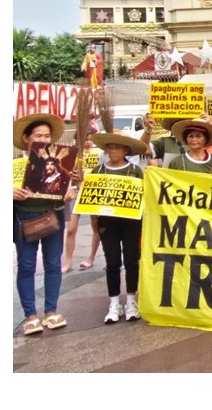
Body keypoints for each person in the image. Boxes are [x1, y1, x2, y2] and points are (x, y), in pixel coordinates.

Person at [13, 113, 76, 335]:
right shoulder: (15, 164)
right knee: (27, 265)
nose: (44, 139)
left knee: (52, 264)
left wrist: (69, 191)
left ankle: (51, 312)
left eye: (47, 136)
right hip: (24, 219)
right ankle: (30, 316)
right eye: (38, 135)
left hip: (54, 217)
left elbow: (70, 186)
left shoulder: (60, 163)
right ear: (26, 138)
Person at [90, 131, 147, 323]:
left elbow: (143, 197)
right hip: (108, 224)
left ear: (126, 150)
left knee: (132, 261)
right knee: (112, 262)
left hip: (131, 222)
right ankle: (114, 302)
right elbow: (91, 200)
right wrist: (95, 224)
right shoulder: (98, 171)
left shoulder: (135, 171)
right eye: (109, 147)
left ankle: (131, 300)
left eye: (116, 147)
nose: (112, 151)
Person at [62, 130, 101, 273]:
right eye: (85, 139)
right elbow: (65, 175)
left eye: (91, 139)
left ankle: (91, 258)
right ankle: (68, 262)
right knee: (71, 229)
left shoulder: (99, 154)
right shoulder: (72, 155)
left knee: (96, 227)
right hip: (76, 192)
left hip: (93, 193)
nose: (88, 142)